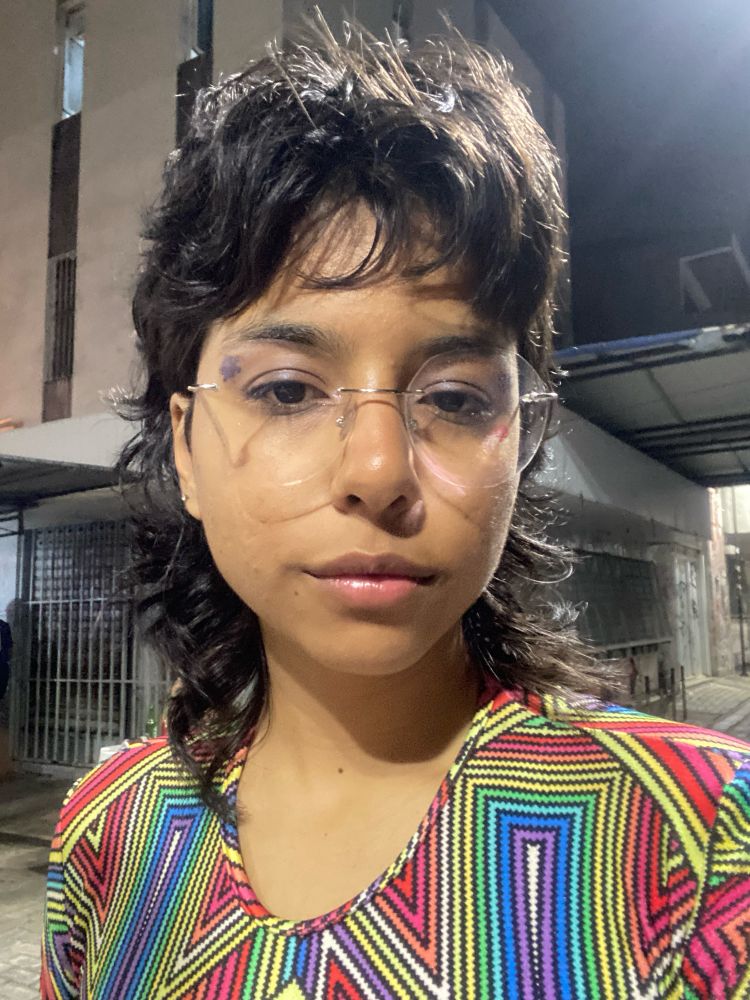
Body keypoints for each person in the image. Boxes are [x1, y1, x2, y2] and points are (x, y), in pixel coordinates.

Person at [41, 24, 750, 1000]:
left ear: (519, 433)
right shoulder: (107, 836)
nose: (379, 470)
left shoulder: (700, 846)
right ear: (187, 446)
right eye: (287, 390)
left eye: (453, 398)